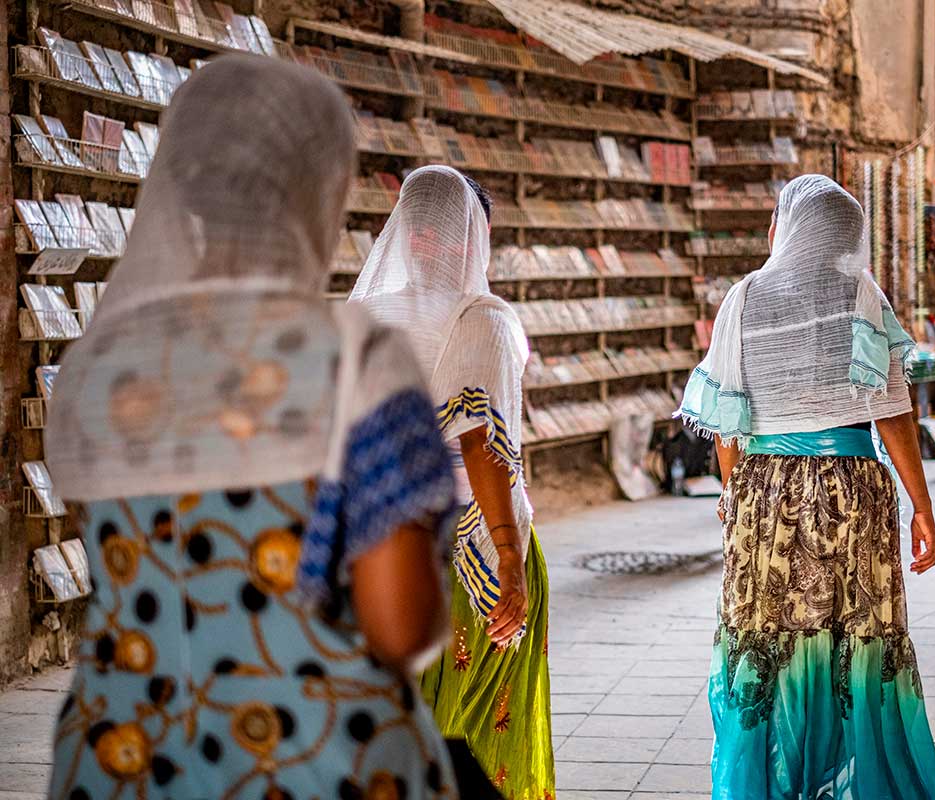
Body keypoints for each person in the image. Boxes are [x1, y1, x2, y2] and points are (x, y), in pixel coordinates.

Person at [44, 56, 460, 800]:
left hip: (120, 760)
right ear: (320, 187)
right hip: (317, 761)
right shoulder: (357, 361)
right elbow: (400, 627)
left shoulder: (95, 369)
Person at [676, 174, 935, 800]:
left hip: (765, 493)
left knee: (766, 644)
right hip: (853, 494)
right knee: (858, 643)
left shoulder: (743, 297)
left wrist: (735, 493)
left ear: (785, 227)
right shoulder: (860, 293)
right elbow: (892, 408)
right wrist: (922, 506)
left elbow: (726, 423)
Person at [348, 165, 555, 799]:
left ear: (406, 234)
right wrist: (512, 559)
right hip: (467, 558)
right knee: (476, 727)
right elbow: (480, 443)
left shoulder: (356, 318)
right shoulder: (480, 318)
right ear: (473, 238)